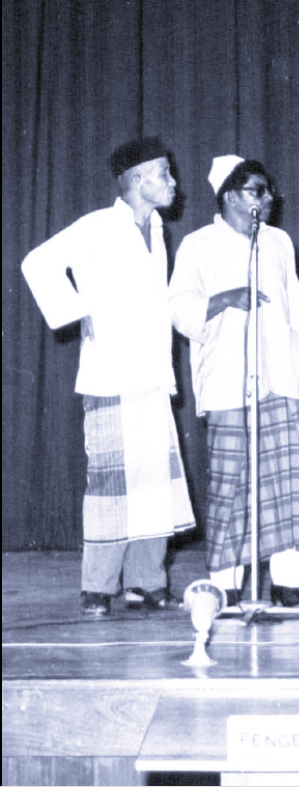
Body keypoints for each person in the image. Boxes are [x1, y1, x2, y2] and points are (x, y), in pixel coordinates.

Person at [21, 137, 196, 617]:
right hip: (111, 376)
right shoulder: (98, 226)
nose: (173, 182)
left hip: (152, 376)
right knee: (112, 484)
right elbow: (37, 262)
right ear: (137, 179)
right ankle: (97, 587)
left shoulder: (156, 230)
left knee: (154, 482)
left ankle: (147, 584)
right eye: (164, 172)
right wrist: (77, 310)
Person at [169, 155, 299, 607]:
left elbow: (297, 310)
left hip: (279, 380)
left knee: (287, 486)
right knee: (231, 487)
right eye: (257, 190)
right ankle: (224, 588)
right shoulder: (199, 245)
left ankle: (288, 587)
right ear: (230, 197)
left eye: (268, 189)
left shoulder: (278, 242)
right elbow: (178, 307)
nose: (268, 197)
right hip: (228, 382)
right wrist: (222, 299)